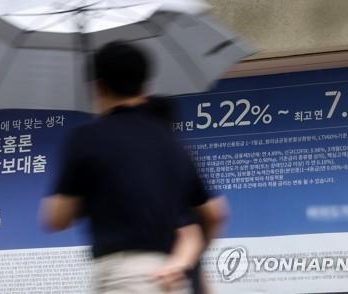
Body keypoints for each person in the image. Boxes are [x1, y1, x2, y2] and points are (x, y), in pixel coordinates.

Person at [39, 41, 227, 294]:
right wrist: (187, 262)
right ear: (144, 85)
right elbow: (216, 214)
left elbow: (57, 218)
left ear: (99, 86)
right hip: (169, 277)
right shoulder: (171, 142)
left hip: (124, 276)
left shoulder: (87, 138)